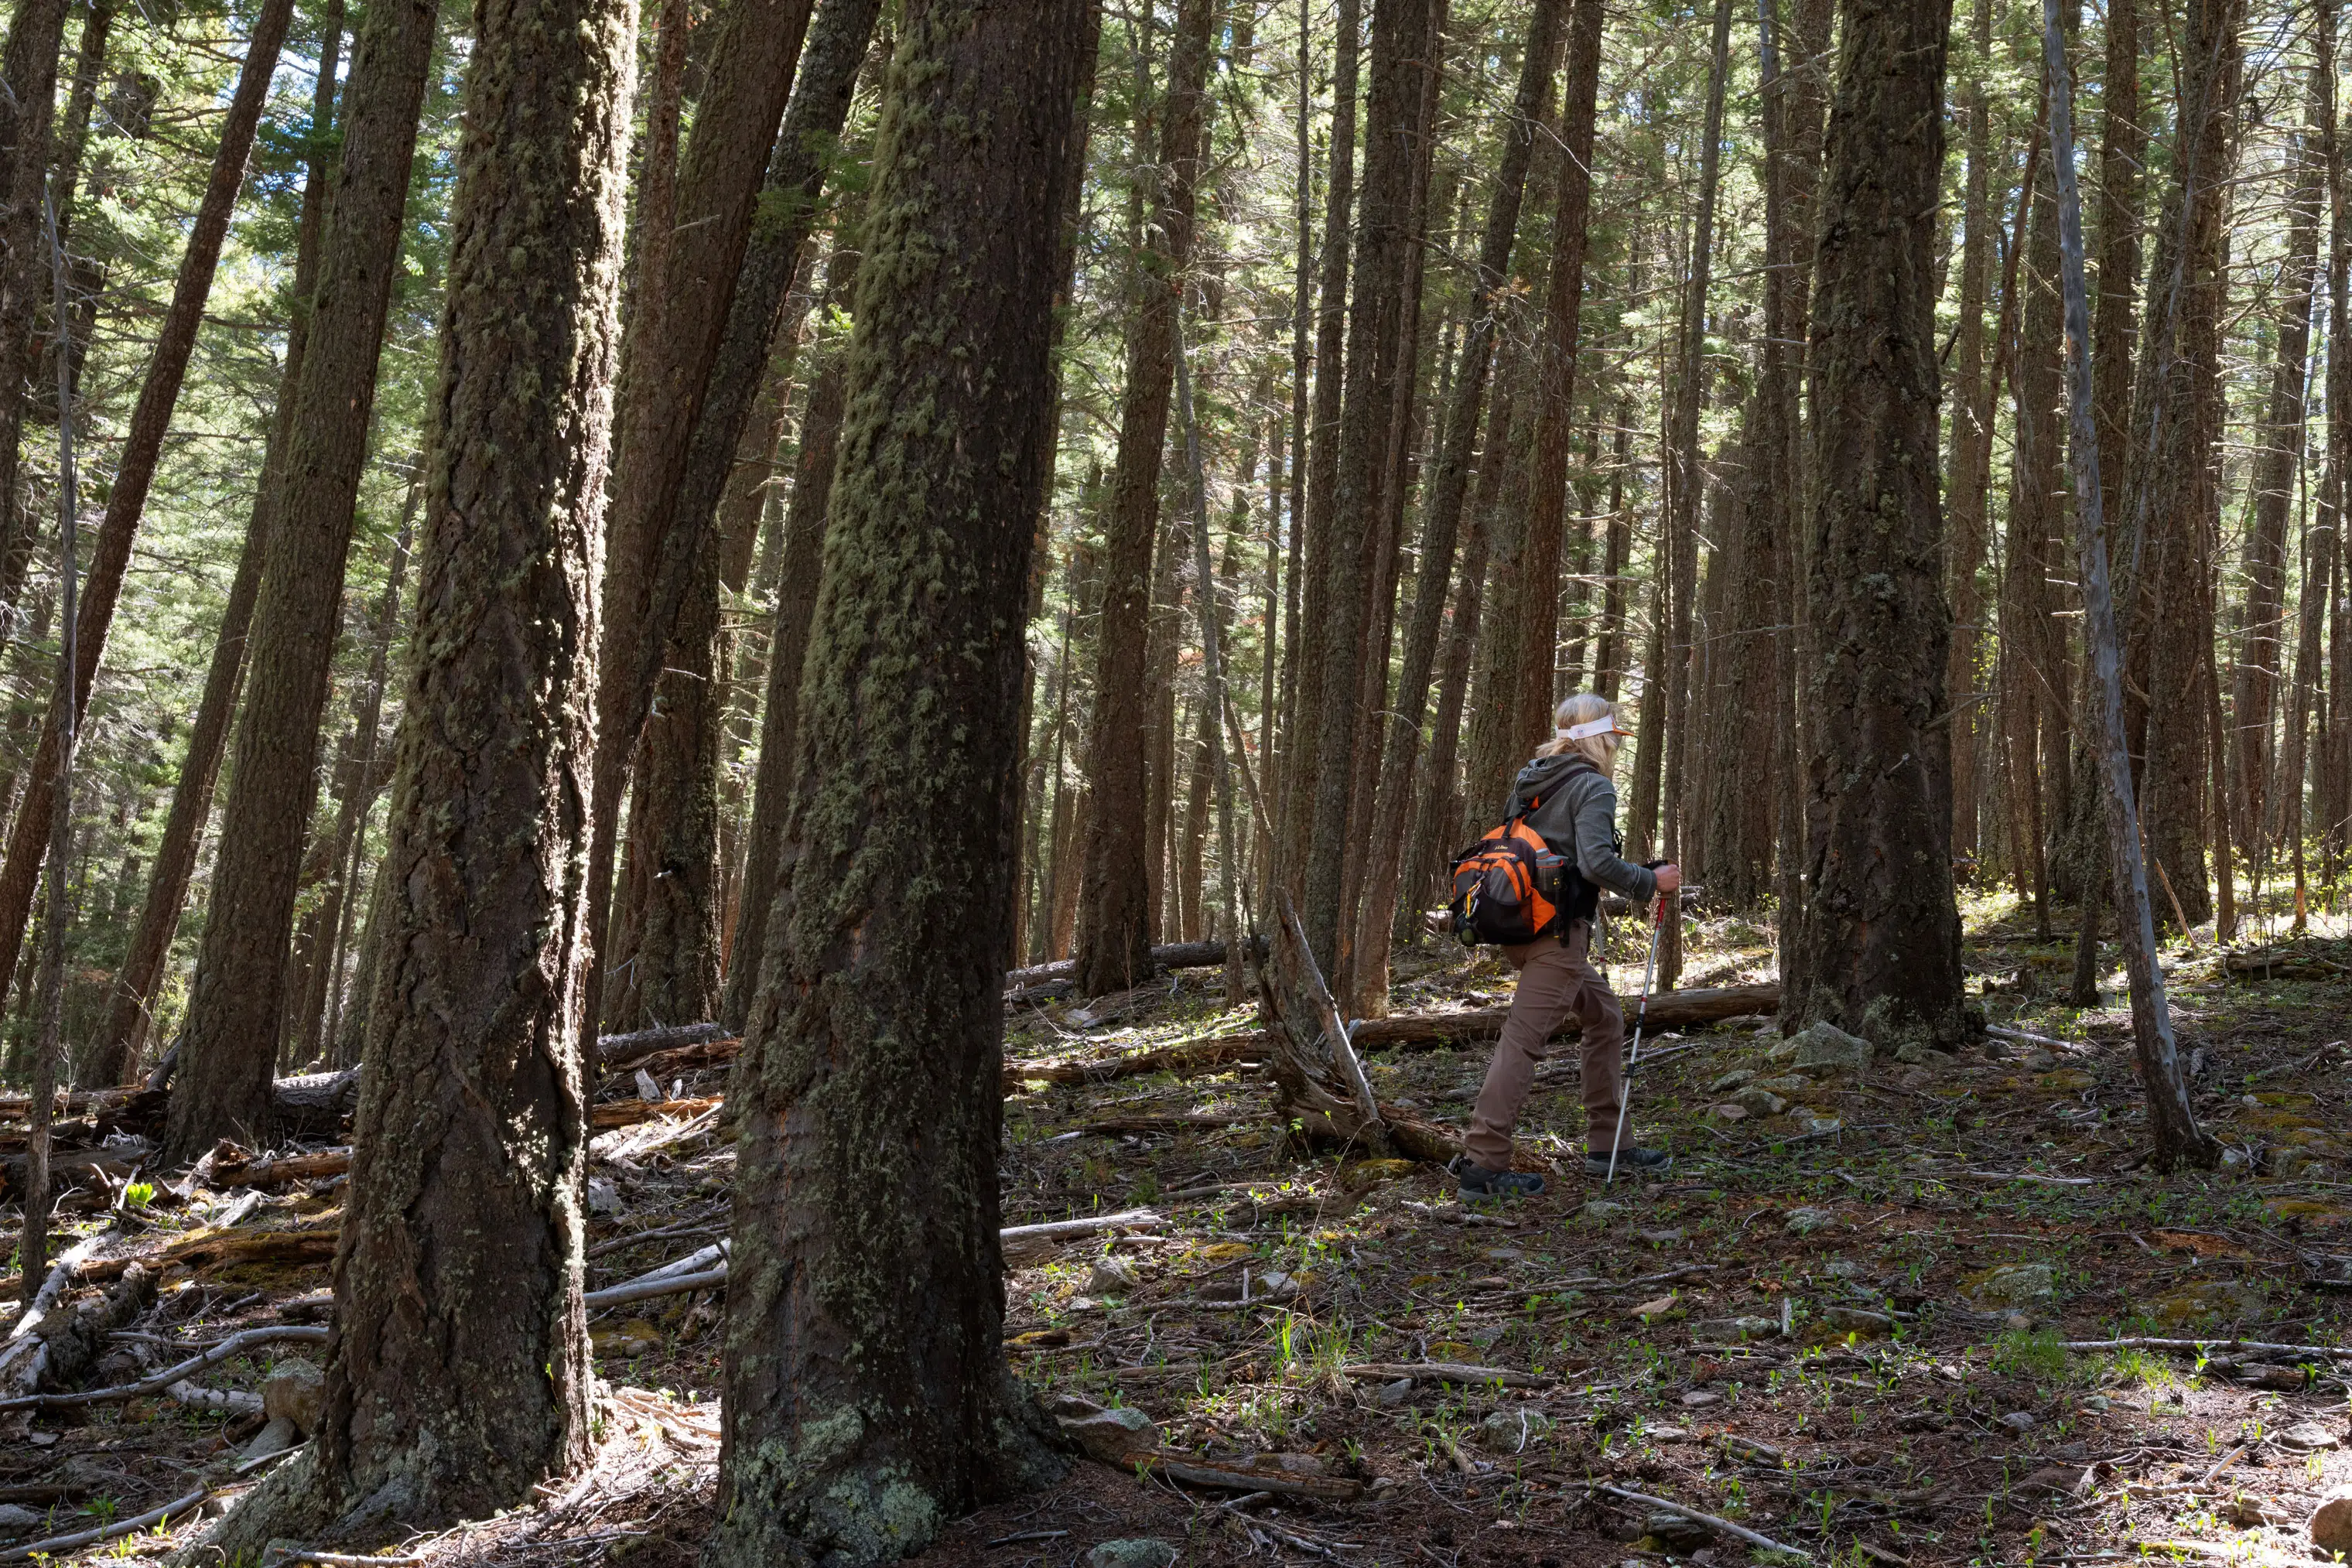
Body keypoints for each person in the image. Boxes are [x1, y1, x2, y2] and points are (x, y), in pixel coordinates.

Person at [1451, 692, 1677, 1198]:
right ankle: (1483, 1165)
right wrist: (1650, 880)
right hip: (1558, 936)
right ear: (1599, 738)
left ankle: (1608, 1144)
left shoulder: (1533, 780)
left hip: (1520, 929)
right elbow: (1596, 864)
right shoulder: (1593, 787)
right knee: (1523, 1040)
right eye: (1612, 739)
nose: (1615, 751)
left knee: (1604, 1016)